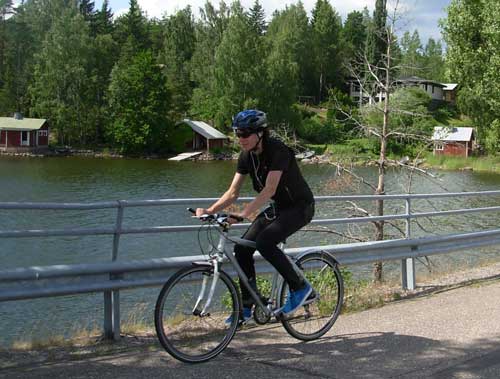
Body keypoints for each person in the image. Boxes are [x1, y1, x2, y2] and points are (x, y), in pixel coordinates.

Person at [196, 109, 315, 322]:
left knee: (265, 242)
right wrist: (210, 210)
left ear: (261, 132)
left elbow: (269, 189)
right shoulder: (246, 156)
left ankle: (300, 288)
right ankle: (247, 305)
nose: (240, 139)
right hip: (279, 207)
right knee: (242, 248)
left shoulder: (278, 151)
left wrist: (243, 214)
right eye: (237, 133)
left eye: (245, 134)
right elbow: (233, 192)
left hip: (300, 207)